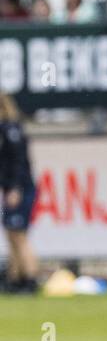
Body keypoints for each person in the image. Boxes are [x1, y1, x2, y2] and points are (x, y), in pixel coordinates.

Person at [0, 93, 37, 294]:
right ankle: (14, 279)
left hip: (19, 188)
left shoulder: (10, 130)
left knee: (19, 235)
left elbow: (16, 163)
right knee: (12, 234)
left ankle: (30, 279)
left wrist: (14, 187)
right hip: (13, 188)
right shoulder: (9, 129)